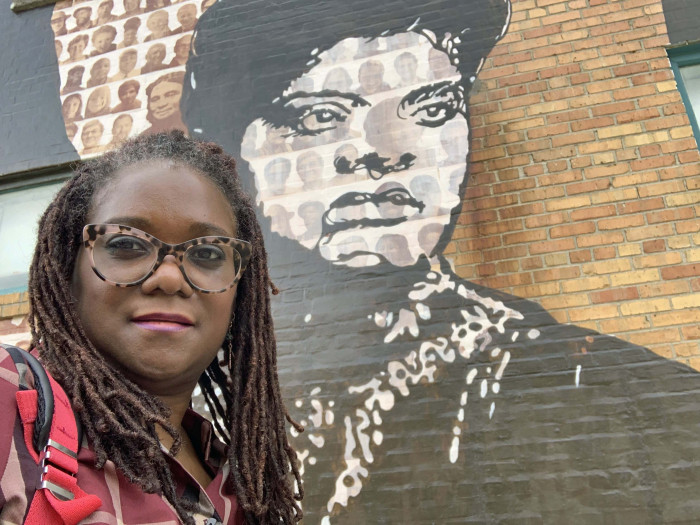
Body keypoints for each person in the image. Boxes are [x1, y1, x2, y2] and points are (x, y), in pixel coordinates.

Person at [183, 1, 700, 524]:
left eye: (432, 110)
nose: (386, 153)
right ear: (229, 153)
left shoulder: (600, 389)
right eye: (320, 117)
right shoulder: (167, 400)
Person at [0, 131, 302, 524]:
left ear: (239, 294)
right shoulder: (10, 401)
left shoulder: (242, 488)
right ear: (67, 269)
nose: (171, 279)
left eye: (208, 253)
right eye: (126, 245)